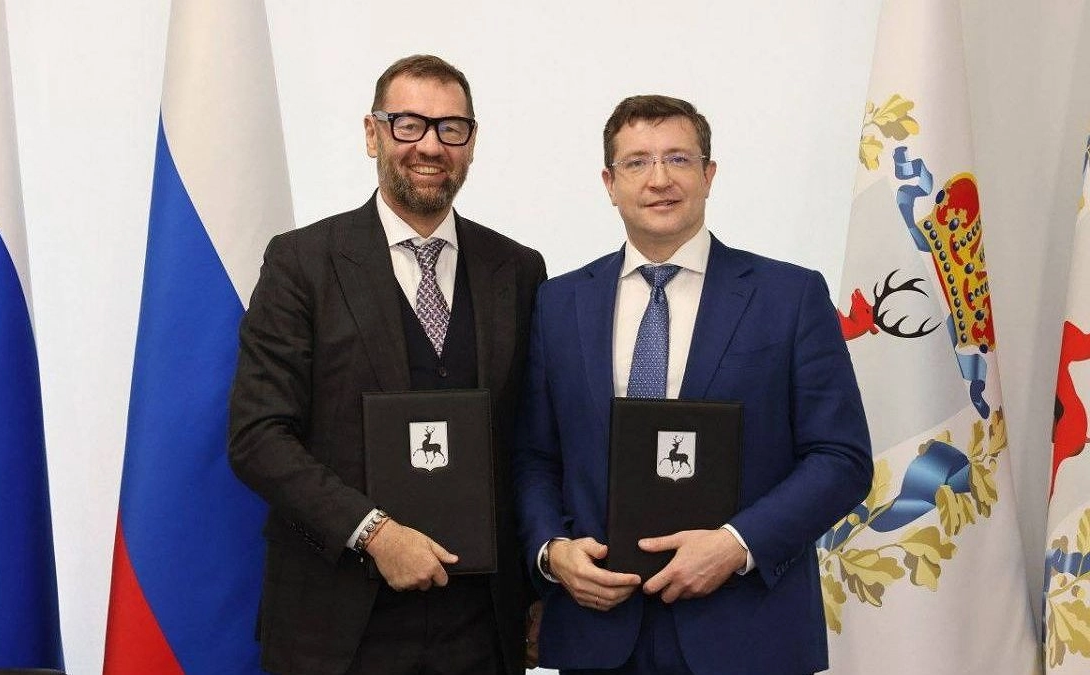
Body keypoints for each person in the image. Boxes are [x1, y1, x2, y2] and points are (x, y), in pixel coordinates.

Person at [513, 95, 873, 675]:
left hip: (747, 631)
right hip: (599, 632)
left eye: (678, 159)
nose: (659, 179)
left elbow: (841, 458)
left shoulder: (790, 296)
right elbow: (535, 455)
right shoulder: (559, 303)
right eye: (637, 162)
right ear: (609, 183)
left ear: (709, 175)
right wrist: (551, 551)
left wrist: (737, 544)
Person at [229, 54, 546, 675]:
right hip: (337, 625)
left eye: (451, 128)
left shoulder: (518, 269)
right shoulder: (301, 262)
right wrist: (374, 532)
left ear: (471, 143)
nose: (430, 145)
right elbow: (258, 436)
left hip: (482, 625)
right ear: (372, 134)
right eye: (408, 124)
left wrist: (540, 582)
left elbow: (532, 442)